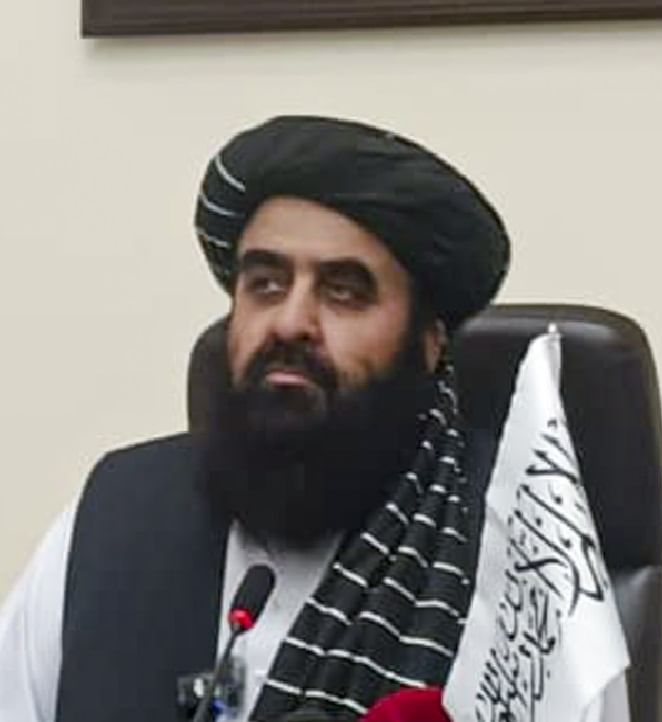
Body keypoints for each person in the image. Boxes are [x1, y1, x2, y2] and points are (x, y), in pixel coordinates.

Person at [0, 115, 511, 722]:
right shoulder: (115, 517)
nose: (291, 322)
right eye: (266, 284)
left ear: (428, 341)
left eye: (344, 291)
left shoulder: (511, 544)